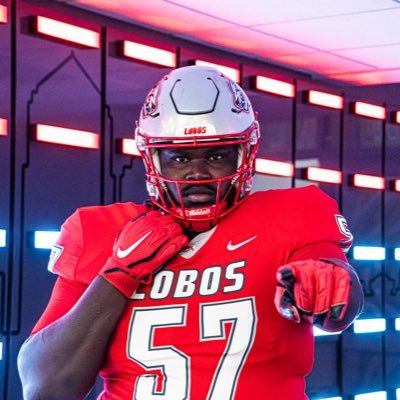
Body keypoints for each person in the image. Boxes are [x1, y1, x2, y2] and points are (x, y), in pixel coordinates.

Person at [18, 65, 363, 400]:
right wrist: (116, 277)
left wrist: (331, 283)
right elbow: (46, 388)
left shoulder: (293, 214)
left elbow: (336, 306)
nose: (197, 173)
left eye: (216, 155)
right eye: (179, 158)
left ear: (244, 154)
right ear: (152, 158)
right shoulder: (98, 231)